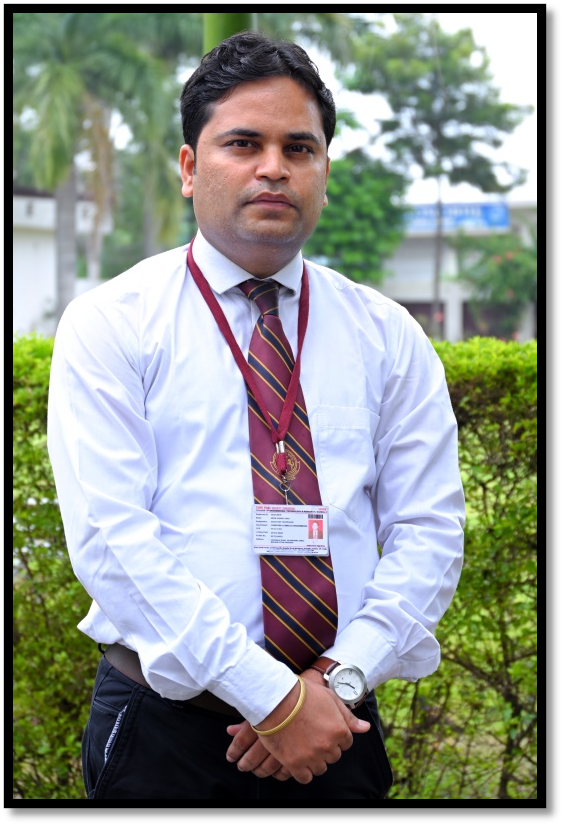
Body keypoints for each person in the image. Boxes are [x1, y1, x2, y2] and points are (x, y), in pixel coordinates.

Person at [47, 30, 465, 800]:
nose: (273, 166)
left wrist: (332, 685)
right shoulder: (113, 323)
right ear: (188, 167)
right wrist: (269, 697)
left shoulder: (387, 335)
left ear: (324, 172)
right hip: (165, 737)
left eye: (298, 148)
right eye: (243, 143)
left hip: (338, 724)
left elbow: (429, 529)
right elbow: (113, 540)